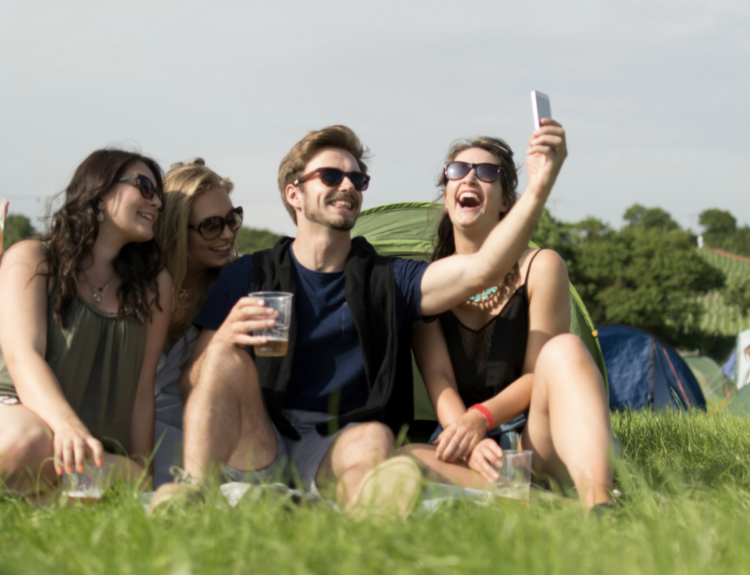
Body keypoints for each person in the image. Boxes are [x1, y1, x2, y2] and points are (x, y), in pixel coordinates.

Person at [151, 122, 566, 518]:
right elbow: (193, 384)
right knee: (224, 359)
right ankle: (194, 495)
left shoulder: (390, 279)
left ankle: (348, 517)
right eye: (330, 176)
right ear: (294, 194)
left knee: (375, 437)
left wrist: (538, 188)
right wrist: (224, 339)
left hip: (338, 444)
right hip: (262, 438)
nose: (347, 185)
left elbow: (481, 270)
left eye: (357, 178)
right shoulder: (248, 274)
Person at [403, 133, 614, 510]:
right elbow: (439, 380)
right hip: (468, 443)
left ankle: (601, 506)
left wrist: (481, 418)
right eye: (457, 170)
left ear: (505, 203)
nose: (469, 178)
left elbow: (539, 377)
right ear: (447, 193)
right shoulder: (425, 283)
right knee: (399, 457)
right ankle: (553, 510)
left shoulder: (542, 266)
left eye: (486, 172)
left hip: (534, 438)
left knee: (564, 348)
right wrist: (465, 435)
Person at [0, 149, 171, 495]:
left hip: (96, 450)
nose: (156, 203)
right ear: (99, 193)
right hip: (20, 417)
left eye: (159, 196)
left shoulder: (154, 284)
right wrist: (65, 426)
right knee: (27, 446)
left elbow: (142, 394)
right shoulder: (32, 258)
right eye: (144, 187)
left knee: (132, 481)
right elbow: (23, 356)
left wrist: (146, 484)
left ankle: (39, 500)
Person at [152, 159, 241, 487]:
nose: (228, 234)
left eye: (233, 219)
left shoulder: (235, 289)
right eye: (211, 225)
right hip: (125, 431)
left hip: (196, 443)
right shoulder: (132, 283)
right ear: (174, 227)